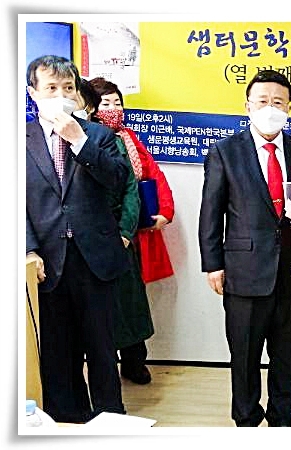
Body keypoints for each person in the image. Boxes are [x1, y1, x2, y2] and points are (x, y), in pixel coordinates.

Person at [198, 69, 291, 427]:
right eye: (263, 101)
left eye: (278, 102)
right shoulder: (225, 151)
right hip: (243, 272)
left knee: (286, 356)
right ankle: (246, 421)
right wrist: (213, 264)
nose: (270, 108)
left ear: (289, 107)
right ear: (247, 106)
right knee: (244, 356)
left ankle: (282, 420)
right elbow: (211, 212)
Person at [25, 55, 129, 423]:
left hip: (95, 257)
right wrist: (28, 248)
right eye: (51, 88)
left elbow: (117, 181)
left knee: (101, 347)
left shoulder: (99, 135)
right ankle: (66, 419)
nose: (61, 95)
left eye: (68, 87)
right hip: (47, 260)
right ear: (33, 92)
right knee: (57, 348)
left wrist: (79, 140)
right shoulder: (18, 139)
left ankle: (110, 419)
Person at [88, 77, 167, 385]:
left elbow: (140, 184)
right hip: (89, 237)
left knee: (131, 303)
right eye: (105, 103)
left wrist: (126, 230)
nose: (113, 109)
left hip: (125, 235)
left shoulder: (127, 140)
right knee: (98, 310)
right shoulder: (79, 138)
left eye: (117, 102)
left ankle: (134, 362)